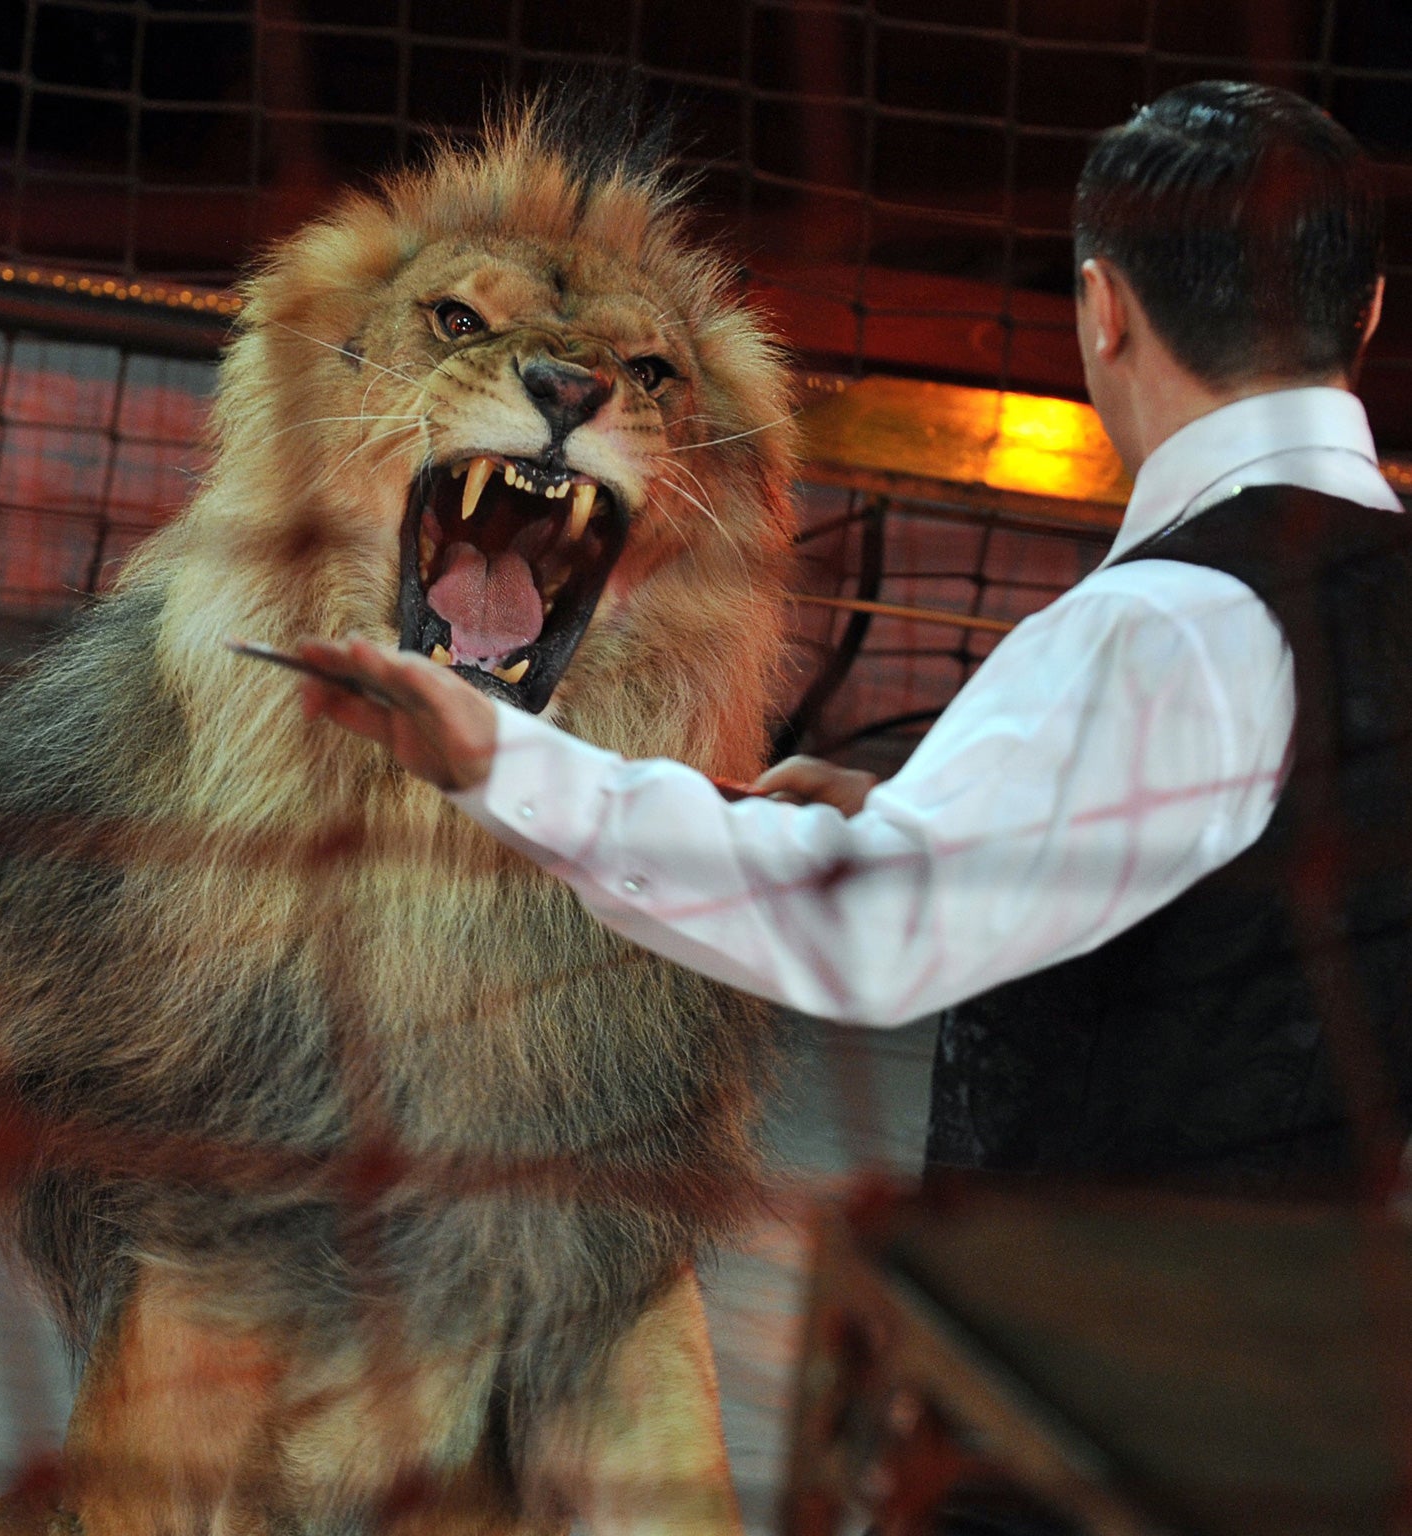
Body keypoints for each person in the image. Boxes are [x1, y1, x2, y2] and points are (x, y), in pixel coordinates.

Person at [294, 80, 1412, 1197]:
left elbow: (876, 933)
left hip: (1082, 1346)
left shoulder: (1165, 625)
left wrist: (507, 765)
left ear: (1102, 307)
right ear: (1364, 312)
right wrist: (921, 820)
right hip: (1326, 1335)